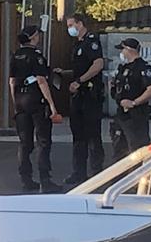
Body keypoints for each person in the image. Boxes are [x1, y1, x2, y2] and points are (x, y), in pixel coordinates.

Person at [9, 25, 62, 193]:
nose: (39, 37)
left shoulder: (16, 55)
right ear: (32, 37)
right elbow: (41, 80)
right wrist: (52, 106)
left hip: (20, 102)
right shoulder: (36, 56)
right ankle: (45, 181)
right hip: (36, 101)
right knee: (43, 141)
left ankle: (26, 179)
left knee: (24, 143)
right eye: (37, 34)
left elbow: (11, 82)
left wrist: (15, 102)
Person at [55, 13, 105, 185]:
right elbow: (80, 68)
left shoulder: (91, 41)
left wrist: (79, 81)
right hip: (78, 96)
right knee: (78, 135)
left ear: (80, 24)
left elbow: (98, 65)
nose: (69, 29)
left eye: (71, 25)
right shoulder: (78, 44)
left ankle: (97, 172)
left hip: (90, 94)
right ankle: (79, 172)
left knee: (92, 134)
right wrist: (65, 73)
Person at [111, 38, 151, 155]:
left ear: (129, 50)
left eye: (122, 49)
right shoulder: (123, 68)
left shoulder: (142, 67)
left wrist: (134, 103)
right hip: (121, 116)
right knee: (119, 150)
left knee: (138, 151)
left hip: (136, 117)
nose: (121, 53)